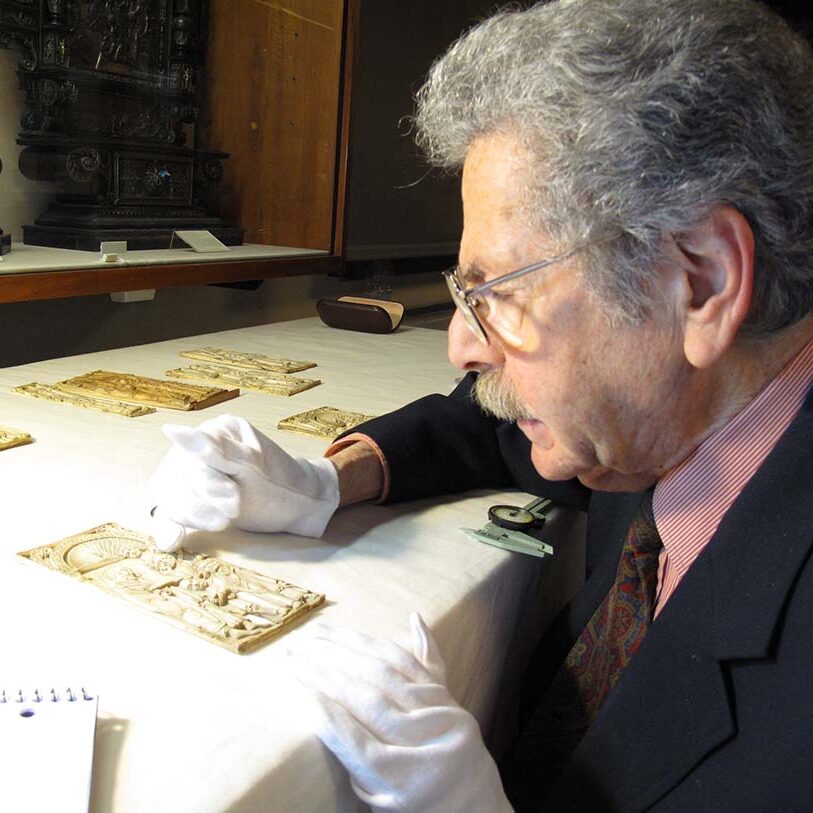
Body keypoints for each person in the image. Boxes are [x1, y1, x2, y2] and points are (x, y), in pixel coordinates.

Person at [149, 0, 813, 808]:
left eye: (497, 292)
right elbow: (486, 422)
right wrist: (327, 480)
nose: (462, 346)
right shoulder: (671, 413)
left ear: (699, 281)